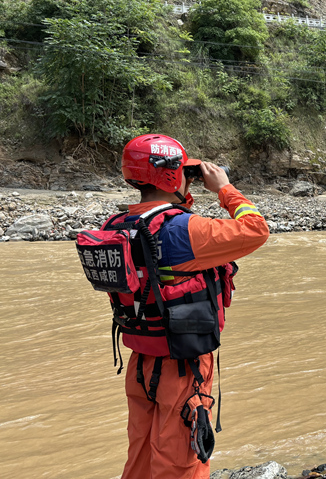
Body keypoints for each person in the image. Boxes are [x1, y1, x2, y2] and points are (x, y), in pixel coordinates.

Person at [112, 134, 269, 479]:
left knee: (140, 456)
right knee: (182, 461)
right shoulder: (185, 230)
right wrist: (224, 189)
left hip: (141, 359)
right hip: (183, 366)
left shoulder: (121, 225)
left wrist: (183, 191)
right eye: (183, 169)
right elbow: (256, 229)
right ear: (170, 175)